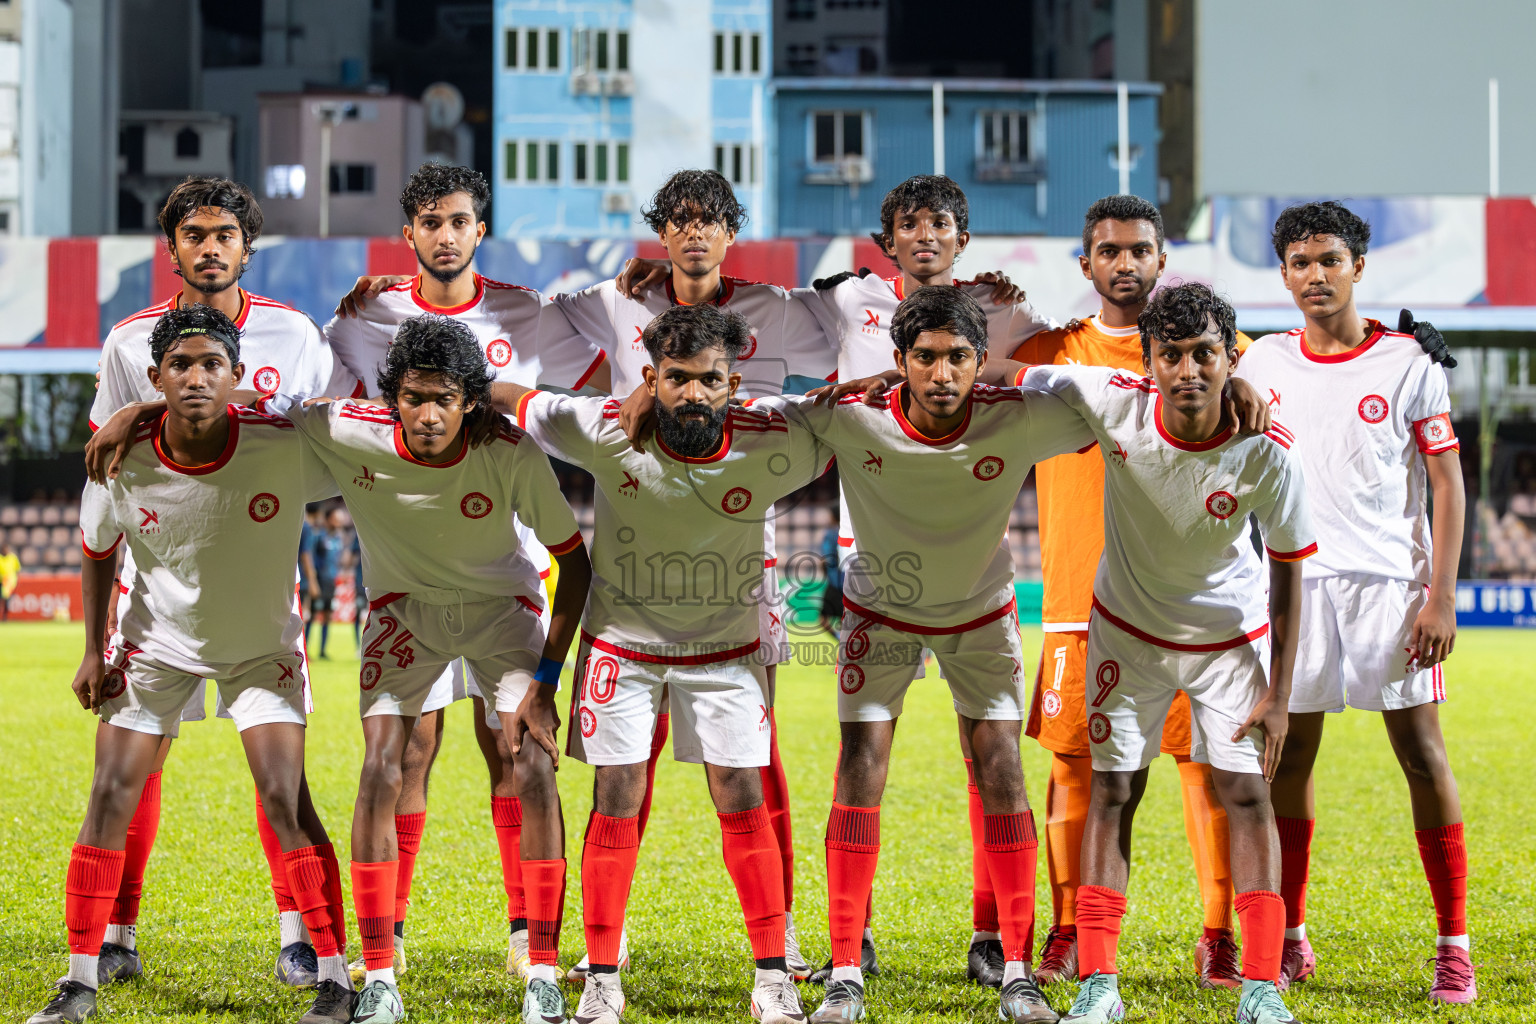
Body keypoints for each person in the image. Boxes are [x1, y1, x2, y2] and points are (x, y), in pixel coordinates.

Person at [612, 171, 1045, 986]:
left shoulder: (1003, 308)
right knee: (858, 757)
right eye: (910, 224)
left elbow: (1076, 357)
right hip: (871, 561)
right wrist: (657, 278)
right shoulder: (842, 303)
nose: (926, 236)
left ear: (963, 238)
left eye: (942, 224)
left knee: (985, 753)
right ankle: (853, 935)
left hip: (970, 561)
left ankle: (994, 937)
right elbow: (735, 308)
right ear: (887, 239)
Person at [981, 282, 1310, 1024]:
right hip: (1126, 638)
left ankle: (1259, 987)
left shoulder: (1267, 451)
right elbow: (1000, 373)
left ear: (1233, 359)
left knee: (1247, 796)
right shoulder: (1111, 395)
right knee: (1114, 792)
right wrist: (886, 379)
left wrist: (1280, 694)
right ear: (1150, 361)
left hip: (1230, 644)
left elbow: (1292, 579)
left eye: (1206, 354)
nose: (1189, 370)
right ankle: (1101, 985)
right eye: (1172, 355)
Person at [500, 302, 835, 1024]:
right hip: (624, 647)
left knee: (743, 798)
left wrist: (869, 387)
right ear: (651, 376)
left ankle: (772, 976)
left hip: (728, 653)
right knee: (615, 799)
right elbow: (509, 396)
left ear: (733, 382)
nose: (693, 395)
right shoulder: (603, 429)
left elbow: (848, 410)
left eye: (709, 380)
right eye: (676, 379)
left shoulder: (776, 439)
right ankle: (602, 980)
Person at [785, 286, 1111, 1024]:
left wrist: (1022, 375)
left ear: (978, 361)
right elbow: (767, 417)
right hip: (879, 611)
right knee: (861, 765)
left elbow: (1115, 401)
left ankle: (1018, 973)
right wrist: (835, 389)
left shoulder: (1017, 418)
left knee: (1001, 765)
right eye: (924, 357)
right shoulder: (853, 415)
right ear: (897, 362)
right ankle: (844, 972)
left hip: (981, 612)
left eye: (959, 357)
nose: (941, 374)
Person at [324, 163, 610, 982]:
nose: (444, 234)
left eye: (458, 221)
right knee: (409, 747)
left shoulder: (523, 310)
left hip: (500, 561)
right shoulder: (365, 313)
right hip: (407, 564)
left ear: (479, 230)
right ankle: (392, 932)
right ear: (407, 232)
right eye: (428, 221)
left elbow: (600, 396)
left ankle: (528, 933)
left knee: (506, 742)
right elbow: (330, 406)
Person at [31, 304, 353, 1024]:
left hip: (260, 647)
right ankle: (79, 981)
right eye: (181, 365)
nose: (198, 377)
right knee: (110, 791)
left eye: (213, 365)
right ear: (156, 376)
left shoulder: (286, 442)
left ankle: (334, 977)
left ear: (238, 376)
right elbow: (95, 546)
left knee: (284, 796)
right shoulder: (118, 458)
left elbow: (363, 425)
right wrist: (92, 648)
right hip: (156, 646)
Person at [553, 168, 839, 979]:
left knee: (755, 764)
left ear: (731, 231)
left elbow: (868, 329)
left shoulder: (777, 309)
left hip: (744, 556)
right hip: (637, 543)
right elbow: (510, 322)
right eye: (678, 220)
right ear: (659, 233)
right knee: (622, 766)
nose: (694, 232)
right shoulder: (618, 305)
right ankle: (603, 946)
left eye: (710, 219)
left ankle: (778, 943)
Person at [82, 176, 361, 990]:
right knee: (137, 758)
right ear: (172, 249)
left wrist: (172, 408)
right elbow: (105, 464)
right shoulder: (127, 343)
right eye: (193, 235)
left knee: (276, 770)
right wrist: (131, 415)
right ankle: (117, 933)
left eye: (224, 235)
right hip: (156, 577)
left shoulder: (294, 334)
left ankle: (298, 934)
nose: (209, 248)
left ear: (247, 246)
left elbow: (326, 434)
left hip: (256, 571)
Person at [1235, 202, 1473, 1003]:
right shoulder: (1261, 361)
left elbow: (1447, 482)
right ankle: (1291, 935)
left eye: (1330, 260)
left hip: (1391, 591)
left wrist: (1440, 596)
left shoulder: (1409, 361)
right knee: (1288, 758)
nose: (1315, 276)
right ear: (1284, 274)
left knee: (1421, 754)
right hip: (1297, 586)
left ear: (1359, 267)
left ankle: (1453, 943)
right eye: (1300, 263)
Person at [1011, 195, 1241, 988]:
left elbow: (1296, 370)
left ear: (1161, 259)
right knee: (1076, 769)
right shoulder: (1054, 349)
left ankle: (1219, 934)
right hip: (1079, 599)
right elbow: (964, 359)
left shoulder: (1209, 348)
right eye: (1108, 250)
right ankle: (1070, 929)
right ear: (1086, 264)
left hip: (1188, 602)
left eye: (1140, 249)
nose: (1125, 262)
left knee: (1203, 768)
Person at [307, 508, 347, 659]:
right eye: (337, 519)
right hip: (319, 581)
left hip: (331, 582)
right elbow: (311, 557)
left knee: (328, 616)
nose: (339, 523)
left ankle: (322, 651)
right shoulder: (319, 536)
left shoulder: (338, 538)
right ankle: (306, 650)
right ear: (329, 519)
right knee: (313, 615)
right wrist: (312, 581)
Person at [819, 507, 843, 637]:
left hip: (835, 582)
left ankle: (840, 640)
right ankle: (846, 645)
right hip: (851, 582)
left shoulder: (831, 534)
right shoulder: (851, 533)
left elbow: (826, 558)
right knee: (849, 619)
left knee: (823, 619)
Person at [0, 539, 19, 621]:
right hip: (1, 581)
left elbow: (17, 569)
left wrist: (15, 581)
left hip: (8, 582)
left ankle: (5, 617)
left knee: (6, 599)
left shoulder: (13, 558)